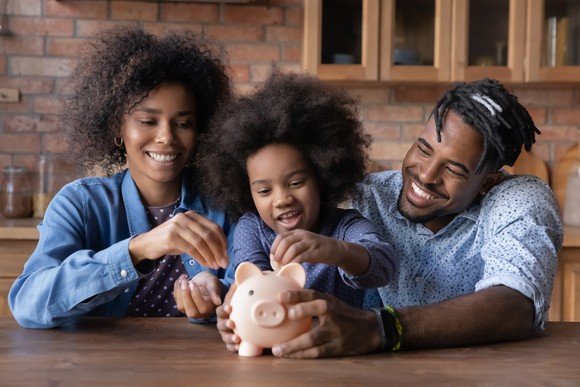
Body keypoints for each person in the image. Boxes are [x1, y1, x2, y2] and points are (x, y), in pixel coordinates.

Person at [216, 77, 563, 357]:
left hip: (488, 372)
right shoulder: (369, 195)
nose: (426, 175)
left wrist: (381, 328)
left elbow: (515, 305)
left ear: (489, 179)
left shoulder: (519, 198)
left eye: (454, 169)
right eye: (424, 149)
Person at [9, 26, 236, 328]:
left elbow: (253, 289)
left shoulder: (227, 205)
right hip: (101, 371)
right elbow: (28, 303)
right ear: (118, 126)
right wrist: (139, 248)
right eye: (147, 121)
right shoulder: (80, 204)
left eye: (183, 123)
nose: (166, 137)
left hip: (201, 371)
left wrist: (219, 296)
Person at [196, 69, 398, 309]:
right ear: (245, 190)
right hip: (272, 342)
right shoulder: (252, 229)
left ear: (322, 177)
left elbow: (385, 267)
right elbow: (249, 280)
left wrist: (337, 251)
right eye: (264, 191)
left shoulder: (346, 227)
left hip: (339, 344)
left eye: (295, 183)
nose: (282, 199)